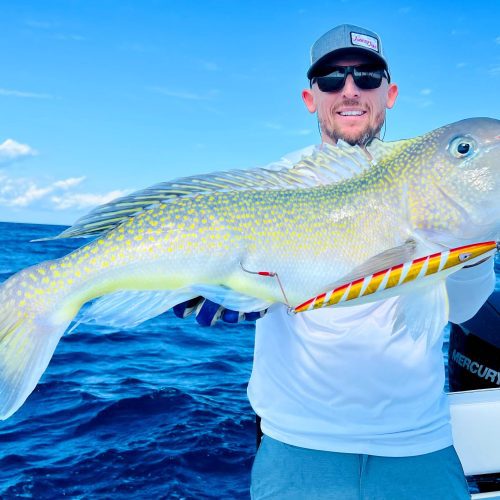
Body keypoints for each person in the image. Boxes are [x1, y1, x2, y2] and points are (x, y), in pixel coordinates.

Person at [175, 24, 495, 499]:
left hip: (419, 444)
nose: (350, 90)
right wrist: (189, 290)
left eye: (367, 77)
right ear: (310, 97)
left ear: (390, 94)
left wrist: (473, 246)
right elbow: (198, 261)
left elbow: (466, 311)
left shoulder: (433, 182)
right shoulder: (271, 184)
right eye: (331, 79)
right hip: (298, 447)